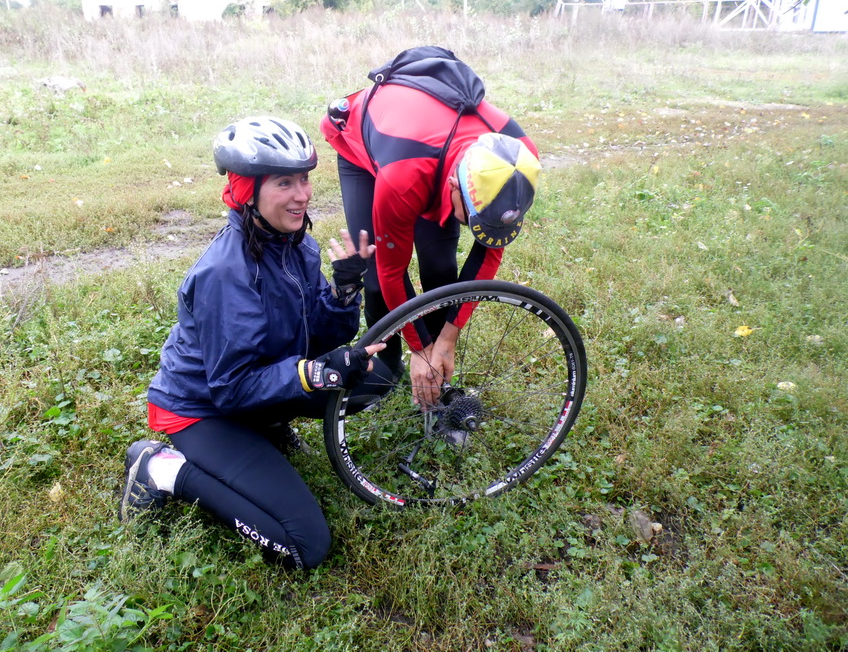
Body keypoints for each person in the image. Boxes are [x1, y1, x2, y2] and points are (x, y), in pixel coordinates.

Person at [119, 116, 383, 570]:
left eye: (304, 179)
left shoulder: (297, 246)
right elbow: (231, 387)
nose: (302, 194)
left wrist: (343, 291)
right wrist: (316, 372)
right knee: (305, 547)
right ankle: (160, 469)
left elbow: (320, 336)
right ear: (247, 192)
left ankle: (266, 427)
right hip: (202, 409)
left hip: (251, 393)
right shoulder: (226, 274)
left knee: (374, 383)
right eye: (284, 182)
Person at [320, 46, 541, 410]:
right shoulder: (404, 179)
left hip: (431, 151)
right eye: (471, 219)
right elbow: (392, 272)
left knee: (440, 268)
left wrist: (447, 338)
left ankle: (437, 377)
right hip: (368, 148)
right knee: (376, 277)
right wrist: (419, 348)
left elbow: (489, 252)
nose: (475, 228)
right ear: (454, 186)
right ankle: (386, 368)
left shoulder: (517, 160)